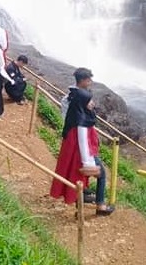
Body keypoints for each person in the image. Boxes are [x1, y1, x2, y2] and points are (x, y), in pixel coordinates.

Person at [50, 67, 114, 216]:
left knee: (77, 175)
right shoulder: (80, 119)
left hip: (74, 147)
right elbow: (82, 137)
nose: (91, 105)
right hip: (81, 150)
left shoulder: (74, 99)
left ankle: (81, 206)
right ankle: (100, 205)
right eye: (89, 102)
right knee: (101, 173)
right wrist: (87, 161)